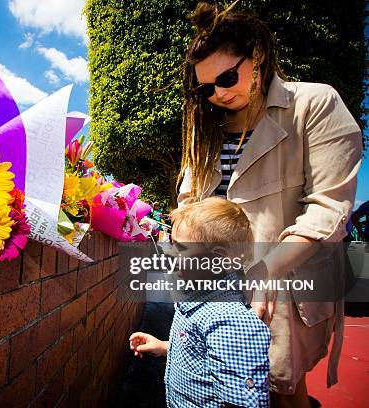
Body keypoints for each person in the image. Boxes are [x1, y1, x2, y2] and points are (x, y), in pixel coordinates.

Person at [176, 2, 362, 407]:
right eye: (206, 88)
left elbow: (329, 209)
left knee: (281, 389)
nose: (219, 94)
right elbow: (188, 203)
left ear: (257, 56)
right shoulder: (206, 129)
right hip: (215, 284)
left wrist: (265, 268)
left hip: (284, 283)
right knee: (214, 387)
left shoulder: (315, 104)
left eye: (227, 77)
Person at [130, 197, 271, 407]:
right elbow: (204, 351)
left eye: (179, 247)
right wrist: (165, 346)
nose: (169, 252)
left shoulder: (229, 323)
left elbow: (243, 403)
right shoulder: (197, 296)